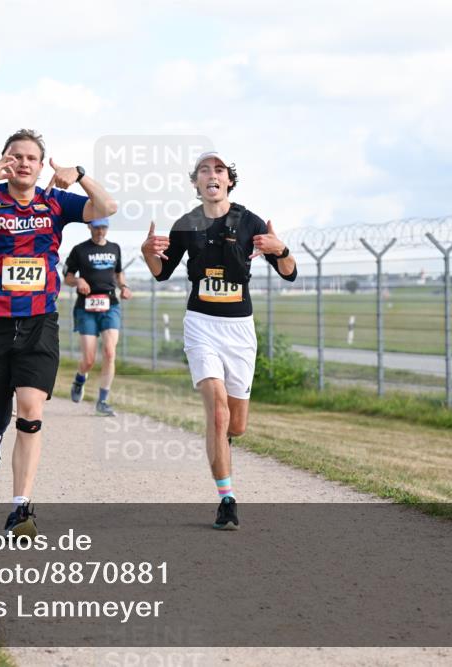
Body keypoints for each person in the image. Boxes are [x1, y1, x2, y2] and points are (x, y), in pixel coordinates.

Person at [0, 128, 117, 537]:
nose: (23, 163)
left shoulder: (54, 202)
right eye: (15, 156)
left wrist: (80, 175)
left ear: (42, 166)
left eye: (31, 158)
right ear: (4, 160)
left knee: (31, 410)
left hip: (40, 322)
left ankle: (20, 508)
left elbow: (107, 206)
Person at [141, 151, 297, 531]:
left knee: (236, 426)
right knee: (217, 411)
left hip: (239, 330)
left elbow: (289, 273)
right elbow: (162, 273)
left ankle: (220, 443)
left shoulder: (250, 222)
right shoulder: (185, 225)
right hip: (201, 326)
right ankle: (227, 499)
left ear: (229, 181)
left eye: (220, 170)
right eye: (204, 171)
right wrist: (147, 254)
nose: (212, 175)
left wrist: (282, 250)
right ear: (196, 183)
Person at [64, 218, 132, 416]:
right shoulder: (80, 250)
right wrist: (78, 280)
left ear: (107, 228)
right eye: (96, 227)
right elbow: (67, 278)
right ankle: (79, 379)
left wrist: (124, 287)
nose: (100, 231)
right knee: (89, 359)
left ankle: (102, 401)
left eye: (103, 227)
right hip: (86, 307)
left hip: (110, 305)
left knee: (110, 352)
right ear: (89, 227)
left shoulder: (115, 248)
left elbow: (119, 274)